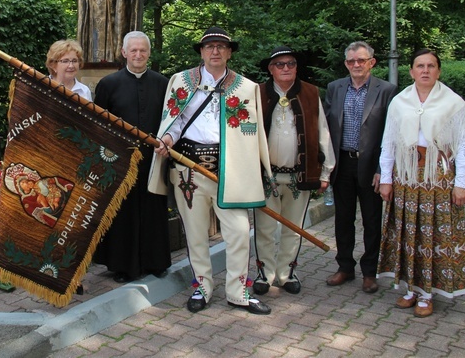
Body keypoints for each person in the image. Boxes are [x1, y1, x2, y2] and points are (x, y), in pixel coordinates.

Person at [148, 27, 273, 315]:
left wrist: (255, 172)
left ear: (229, 52)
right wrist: (166, 140)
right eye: (209, 47)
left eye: (221, 46)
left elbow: (252, 135)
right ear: (201, 52)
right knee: (195, 234)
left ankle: (238, 290)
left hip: (229, 173)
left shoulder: (246, 87)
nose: (215, 51)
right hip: (188, 172)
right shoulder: (180, 81)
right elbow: (173, 122)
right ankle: (202, 287)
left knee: (240, 231)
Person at [377, 49, 465, 317]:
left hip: (437, 178)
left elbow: (463, 145)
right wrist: (386, 179)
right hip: (406, 176)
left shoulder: (454, 103)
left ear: (439, 71)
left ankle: (427, 293)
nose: (425, 70)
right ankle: (409, 288)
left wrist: (461, 183)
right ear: (411, 71)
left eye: (431, 66)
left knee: (432, 234)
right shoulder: (399, 101)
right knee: (408, 232)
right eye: (420, 66)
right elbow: (389, 142)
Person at [253, 46, 335, 295]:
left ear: (296, 67)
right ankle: (265, 275)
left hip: (299, 174)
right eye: (280, 64)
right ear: (271, 69)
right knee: (265, 229)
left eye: (290, 64)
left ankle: (287, 273)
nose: (285, 68)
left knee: (294, 228)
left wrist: (326, 173)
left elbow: (323, 132)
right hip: (266, 176)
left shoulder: (311, 93)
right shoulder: (257, 93)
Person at [92, 31, 171, 283]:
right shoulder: (108, 84)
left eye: (143, 50)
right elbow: (99, 125)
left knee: (154, 208)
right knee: (123, 213)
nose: (138, 55)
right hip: (119, 160)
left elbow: (171, 121)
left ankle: (156, 261)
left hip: (154, 159)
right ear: (124, 52)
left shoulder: (163, 83)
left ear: (149, 53)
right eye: (133, 50)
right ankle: (123, 266)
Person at [324, 41, 396, 293]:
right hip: (342, 164)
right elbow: (327, 128)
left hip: (371, 167)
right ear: (346, 64)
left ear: (371, 62)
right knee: (343, 220)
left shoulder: (387, 90)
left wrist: (382, 170)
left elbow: (392, 134)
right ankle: (345, 267)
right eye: (351, 61)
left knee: (372, 220)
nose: (356, 65)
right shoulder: (335, 88)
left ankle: (369, 271)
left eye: (361, 60)